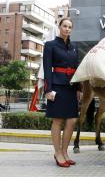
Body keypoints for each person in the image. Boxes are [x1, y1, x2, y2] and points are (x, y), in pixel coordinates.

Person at [43, 18, 80, 167]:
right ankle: (57, 153)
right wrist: (48, 89)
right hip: (56, 87)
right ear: (59, 27)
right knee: (58, 120)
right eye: (65, 26)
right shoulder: (50, 45)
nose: (67, 29)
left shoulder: (74, 47)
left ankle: (65, 152)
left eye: (70, 27)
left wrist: (79, 88)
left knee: (72, 120)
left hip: (71, 86)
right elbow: (47, 68)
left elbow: (77, 69)